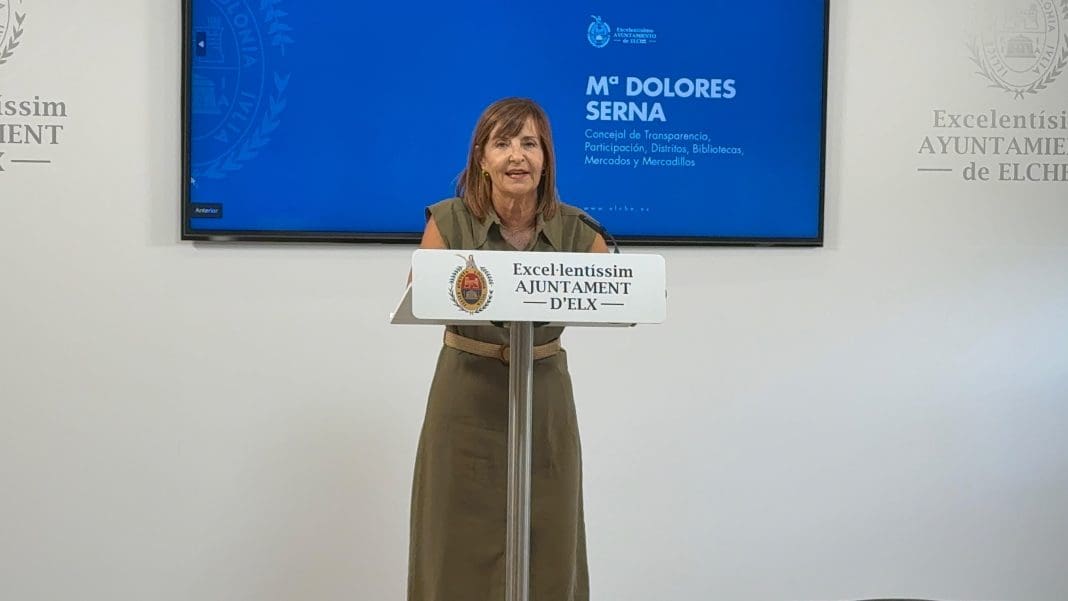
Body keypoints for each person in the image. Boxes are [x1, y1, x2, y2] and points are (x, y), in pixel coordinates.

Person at [408, 97, 608, 601]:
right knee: (455, 537)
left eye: (529, 144)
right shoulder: (448, 222)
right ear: (482, 158)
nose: (517, 156)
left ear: (546, 159)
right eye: (502, 144)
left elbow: (619, 288)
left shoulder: (579, 230)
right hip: (466, 395)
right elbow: (420, 291)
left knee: (549, 535)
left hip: (545, 399)